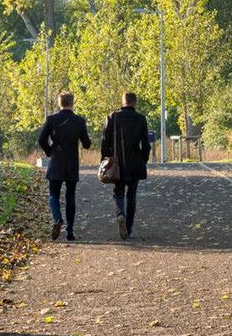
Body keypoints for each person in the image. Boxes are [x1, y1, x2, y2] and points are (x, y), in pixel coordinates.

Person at [38, 91, 91, 241]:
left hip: (56, 161)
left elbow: (41, 139)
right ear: (72, 103)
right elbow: (87, 144)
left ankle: (57, 218)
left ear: (59, 103)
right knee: (70, 196)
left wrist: (50, 151)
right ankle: (70, 231)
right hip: (71, 162)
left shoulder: (51, 119)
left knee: (53, 195)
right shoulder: (79, 121)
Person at [101, 92, 151, 240]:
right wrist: (143, 160)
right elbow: (146, 145)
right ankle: (128, 229)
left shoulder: (112, 117)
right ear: (135, 103)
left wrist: (104, 159)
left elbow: (105, 141)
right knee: (132, 195)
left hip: (118, 162)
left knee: (118, 192)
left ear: (123, 102)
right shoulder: (141, 119)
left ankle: (120, 214)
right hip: (135, 162)